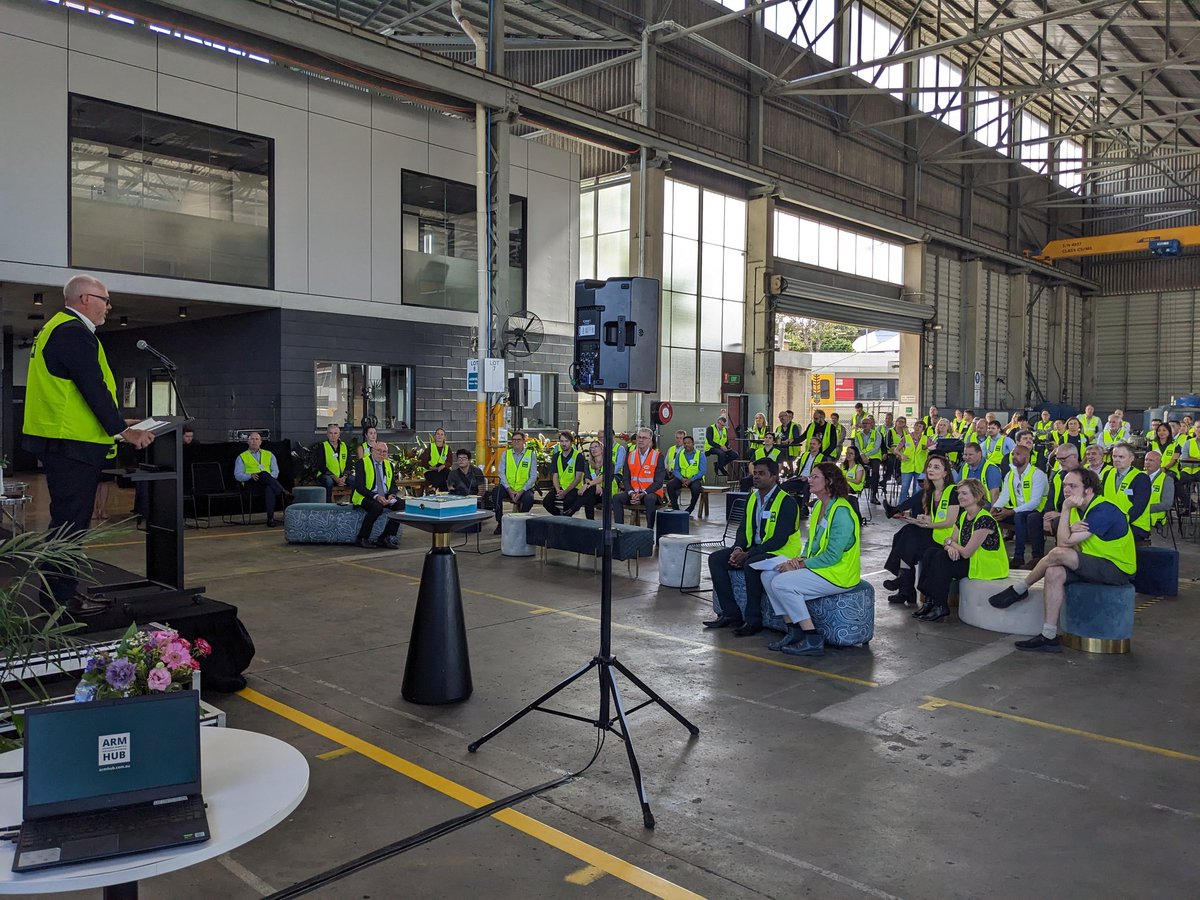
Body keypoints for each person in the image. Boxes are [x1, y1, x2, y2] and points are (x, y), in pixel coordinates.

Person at [23, 274, 155, 615]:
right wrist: (124, 432)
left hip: (63, 437)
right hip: (70, 442)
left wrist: (116, 422)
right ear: (85, 299)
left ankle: (58, 595)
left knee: (68, 520)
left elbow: (74, 390)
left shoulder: (57, 329)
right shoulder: (72, 332)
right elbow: (90, 385)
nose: (109, 307)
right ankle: (61, 599)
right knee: (69, 523)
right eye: (105, 299)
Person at [989, 468, 1136, 653]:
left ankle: (1020, 588)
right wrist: (1068, 519)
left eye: (1073, 486)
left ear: (1088, 489)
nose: (1066, 489)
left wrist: (1065, 511)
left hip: (1116, 568)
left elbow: (1063, 544)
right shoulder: (1077, 508)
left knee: (1059, 554)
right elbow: (1063, 542)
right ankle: (1048, 636)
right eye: (1065, 485)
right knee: (1053, 571)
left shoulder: (1102, 509)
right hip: (1091, 563)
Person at [759, 463, 861, 658]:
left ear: (828, 482)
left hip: (838, 573)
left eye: (815, 477)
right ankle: (793, 630)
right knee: (768, 575)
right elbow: (812, 545)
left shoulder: (841, 512)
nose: (809, 480)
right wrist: (798, 560)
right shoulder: (818, 507)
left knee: (781, 582)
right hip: (821, 568)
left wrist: (801, 565)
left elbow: (832, 556)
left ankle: (811, 637)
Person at [703, 457, 801, 638]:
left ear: (773, 477)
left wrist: (748, 554)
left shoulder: (787, 502)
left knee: (751, 565)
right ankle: (730, 613)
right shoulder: (752, 498)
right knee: (716, 559)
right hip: (754, 548)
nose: (756, 477)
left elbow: (778, 539)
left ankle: (753, 620)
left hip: (780, 552)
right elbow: (743, 528)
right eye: (754, 473)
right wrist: (738, 549)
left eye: (761, 474)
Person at [913, 479, 1009, 622]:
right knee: (931, 553)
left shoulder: (984, 520)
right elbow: (949, 540)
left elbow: (966, 552)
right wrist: (949, 546)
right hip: (971, 560)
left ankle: (940, 605)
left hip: (986, 566)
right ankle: (929, 601)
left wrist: (951, 544)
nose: (960, 497)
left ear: (976, 496)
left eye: (964, 493)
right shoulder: (964, 515)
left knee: (941, 559)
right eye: (959, 494)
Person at [881, 455, 957, 605]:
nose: (931, 470)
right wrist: (913, 518)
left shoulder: (952, 492)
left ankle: (905, 587)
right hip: (932, 533)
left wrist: (927, 524)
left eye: (936, 467)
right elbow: (930, 517)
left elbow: (950, 521)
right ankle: (905, 587)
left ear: (945, 473)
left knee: (907, 536)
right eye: (929, 466)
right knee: (905, 533)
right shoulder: (929, 492)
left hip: (946, 539)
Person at [991, 443, 1049, 569]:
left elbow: (1035, 502)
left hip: (1037, 511)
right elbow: (1004, 496)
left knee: (1021, 517)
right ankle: (993, 555)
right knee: (994, 516)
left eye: (1018, 454)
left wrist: (1011, 511)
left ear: (1027, 456)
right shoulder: (1010, 475)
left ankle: (1025, 557)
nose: (1014, 457)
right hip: (1018, 511)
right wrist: (995, 508)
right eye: (1013, 454)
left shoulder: (1037, 474)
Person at [350, 441, 402, 549]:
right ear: (372, 451)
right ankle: (362, 538)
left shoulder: (388, 464)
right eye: (379, 451)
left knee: (402, 506)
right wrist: (376, 497)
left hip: (384, 495)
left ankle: (385, 537)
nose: (381, 454)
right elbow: (359, 487)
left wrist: (392, 495)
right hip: (365, 495)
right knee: (376, 507)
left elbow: (392, 484)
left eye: (384, 452)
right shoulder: (362, 463)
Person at [615, 427, 666, 528]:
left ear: (650, 440)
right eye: (639, 437)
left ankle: (649, 531)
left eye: (644, 438)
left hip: (651, 493)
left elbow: (659, 482)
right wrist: (631, 493)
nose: (641, 440)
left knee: (649, 499)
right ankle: (619, 530)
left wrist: (643, 494)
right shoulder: (630, 455)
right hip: (634, 493)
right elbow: (625, 478)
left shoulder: (658, 456)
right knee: (616, 498)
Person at [1102, 443, 1151, 541]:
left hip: (1135, 525)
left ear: (1131, 458)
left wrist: (1118, 522)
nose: (1116, 459)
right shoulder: (1107, 474)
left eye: (1121, 457)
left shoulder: (1141, 478)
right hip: (1111, 522)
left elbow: (1138, 508)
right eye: (1114, 456)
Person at [234, 431, 285, 527]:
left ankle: (270, 519)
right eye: (252, 439)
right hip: (251, 483)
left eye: (257, 439)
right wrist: (250, 475)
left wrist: (268, 478)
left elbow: (275, 472)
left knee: (267, 482)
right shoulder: (241, 457)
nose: (254, 441)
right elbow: (237, 475)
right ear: (248, 442)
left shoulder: (269, 455)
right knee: (265, 475)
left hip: (267, 483)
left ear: (260, 442)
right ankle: (282, 492)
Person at [492, 431, 536, 533]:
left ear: (523, 441)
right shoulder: (506, 454)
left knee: (529, 499)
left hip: (524, 488)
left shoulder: (531, 455)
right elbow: (501, 473)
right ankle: (500, 522)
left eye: (519, 440)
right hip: (508, 487)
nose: (516, 442)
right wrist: (509, 489)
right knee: (495, 493)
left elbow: (533, 476)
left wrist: (522, 491)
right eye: (514, 440)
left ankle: (519, 521)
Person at [780, 436, 828, 515]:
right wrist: (795, 476)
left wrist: (808, 478)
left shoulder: (823, 458)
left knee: (807, 486)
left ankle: (804, 508)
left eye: (814, 444)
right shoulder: (805, 455)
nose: (811, 446)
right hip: (800, 478)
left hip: (812, 481)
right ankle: (786, 505)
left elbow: (822, 474)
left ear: (819, 445)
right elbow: (798, 469)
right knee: (783, 486)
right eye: (810, 444)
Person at [1042, 443, 1082, 536]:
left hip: (1076, 515)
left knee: (1057, 521)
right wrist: (1047, 517)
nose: (1060, 462)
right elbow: (1050, 499)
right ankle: (1037, 551)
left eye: (1063, 459)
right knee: (1033, 518)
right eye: (1057, 459)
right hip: (1058, 511)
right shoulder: (1058, 475)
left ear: (1074, 457)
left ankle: (1062, 547)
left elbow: (1084, 504)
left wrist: (1061, 514)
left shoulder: (1085, 475)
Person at [573, 440, 617, 520]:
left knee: (589, 492)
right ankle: (590, 523)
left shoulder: (609, 463)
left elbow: (604, 478)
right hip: (594, 492)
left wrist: (588, 485)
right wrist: (595, 485)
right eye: (591, 448)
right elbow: (587, 478)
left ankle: (573, 509)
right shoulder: (588, 464)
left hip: (607, 492)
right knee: (589, 497)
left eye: (596, 447)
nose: (593, 449)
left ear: (601, 448)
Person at [543, 431, 583, 516]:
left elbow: (578, 478)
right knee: (546, 502)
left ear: (571, 442)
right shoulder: (556, 456)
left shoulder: (578, 456)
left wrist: (565, 492)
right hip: (560, 487)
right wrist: (558, 490)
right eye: (562, 441)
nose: (564, 444)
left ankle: (565, 520)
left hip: (573, 488)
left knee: (568, 501)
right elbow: (555, 475)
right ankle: (560, 517)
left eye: (566, 441)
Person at [669, 435, 707, 514]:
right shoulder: (680, 454)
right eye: (685, 443)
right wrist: (682, 479)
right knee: (670, 485)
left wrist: (691, 480)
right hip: (682, 479)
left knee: (696, 488)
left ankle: (691, 508)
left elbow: (702, 471)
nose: (686, 445)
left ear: (693, 443)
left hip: (695, 479)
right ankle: (676, 509)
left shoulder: (700, 455)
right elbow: (676, 470)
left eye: (689, 443)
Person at [958, 442, 1001, 506]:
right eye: (965, 454)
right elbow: (958, 487)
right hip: (968, 502)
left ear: (979, 454)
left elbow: (995, 494)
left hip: (986, 504)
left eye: (970, 454)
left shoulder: (991, 468)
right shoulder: (964, 467)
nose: (967, 457)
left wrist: (992, 513)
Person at [854, 415, 883, 504]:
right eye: (863, 423)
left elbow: (876, 448)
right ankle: (857, 489)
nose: (864, 425)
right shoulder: (858, 435)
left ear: (871, 424)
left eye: (866, 423)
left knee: (875, 472)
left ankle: (873, 495)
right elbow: (857, 447)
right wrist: (862, 455)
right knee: (858, 470)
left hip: (874, 456)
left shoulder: (877, 433)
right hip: (861, 457)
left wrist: (865, 455)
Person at [896, 420, 928, 503]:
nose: (917, 428)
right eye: (916, 425)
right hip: (907, 466)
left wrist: (928, 448)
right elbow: (896, 450)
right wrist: (901, 455)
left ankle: (914, 509)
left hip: (920, 467)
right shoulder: (906, 437)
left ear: (923, 429)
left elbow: (934, 447)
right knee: (904, 488)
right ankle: (900, 508)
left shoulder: (926, 439)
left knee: (917, 490)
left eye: (920, 426)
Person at [317, 423, 349, 503]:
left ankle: (352, 505)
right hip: (326, 474)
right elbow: (321, 466)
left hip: (342, 476)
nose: (333, 435)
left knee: (355, 481)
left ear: (339, 434)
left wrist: (344, 476)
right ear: (327, 434)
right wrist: (334, 477)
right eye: (330, 433)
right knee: (329, 481)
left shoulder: (344, 446)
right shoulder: (322, 447)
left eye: (335, 433)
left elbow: (349, 464)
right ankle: (328, 506)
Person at [662, 430, 688, 509]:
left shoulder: (687, 449)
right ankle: (662, 497)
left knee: (675, 480)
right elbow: (666, 462)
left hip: (680, 472)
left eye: (681, 438)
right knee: (656, 477)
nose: (678, 440)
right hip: (669, 471)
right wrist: (667, 469)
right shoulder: (671, 449)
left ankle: (672, 500)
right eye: (677, 438)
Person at [421, 427, 452, 492]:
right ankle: (439, 490)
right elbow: (424, 462)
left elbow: (449, 462)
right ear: (435, 436)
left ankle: (434, 488)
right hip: (430, 471)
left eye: (441, 434)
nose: (439, 436)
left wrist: (443, 466)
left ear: (444, 437)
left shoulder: (447, 448)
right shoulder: (430, 447)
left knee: (447, 473)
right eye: (438, 434)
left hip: (442, 470)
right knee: (441, 478)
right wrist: (432, 468)